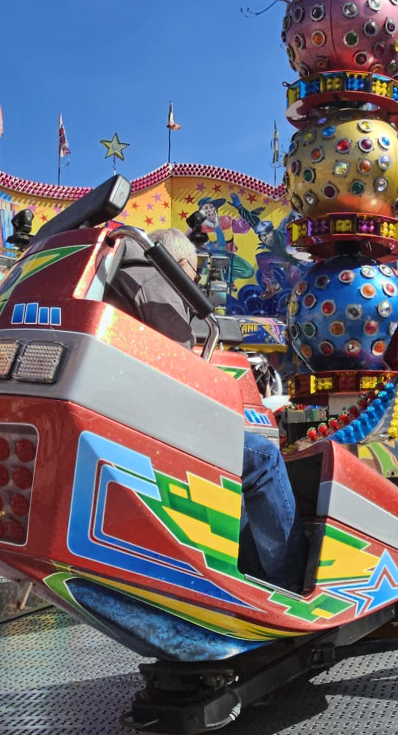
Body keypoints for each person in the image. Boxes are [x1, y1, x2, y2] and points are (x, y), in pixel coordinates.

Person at [107, 227, 310, 592]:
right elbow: (181, 369)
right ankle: (290, 582)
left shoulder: (121, 277)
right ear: (179, 263)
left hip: (127, 413)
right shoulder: (157, 281)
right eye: (195, 273)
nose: (195, 282)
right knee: (262, 458)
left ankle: (251, 573)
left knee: (237, 465)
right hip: (149, 425)